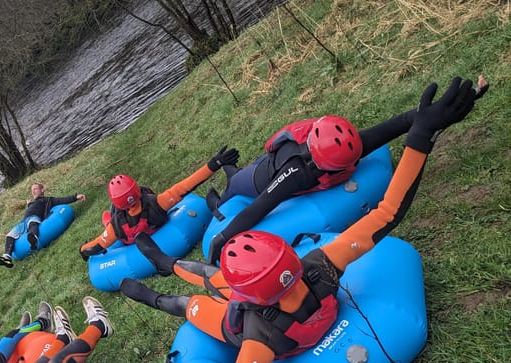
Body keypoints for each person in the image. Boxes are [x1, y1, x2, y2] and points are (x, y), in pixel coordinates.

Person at [118, 76, 486, 363]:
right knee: (199, 288)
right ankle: (163, 271)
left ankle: (164, 280)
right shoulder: (319, 267)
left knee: (198, 295)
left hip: (233, 312)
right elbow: (388, 212)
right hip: (240, 309)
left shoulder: (264, 328)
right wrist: (422, 135)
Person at [205, 75, 490, 262]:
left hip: (282, 161)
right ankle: (223, 187)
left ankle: (231, 171)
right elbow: (262, 205)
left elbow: (400, 123)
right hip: (261, 176)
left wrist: (449, 109)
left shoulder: (348, 146)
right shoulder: (298, 172)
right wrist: (221, 237)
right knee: (236, 186)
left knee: (241, 178)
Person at [78, 145, 238, 259]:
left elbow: (96, 245)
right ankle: (106, 218)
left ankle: (106, 218)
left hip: (126, 235)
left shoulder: (116, 226)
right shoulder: (157, 203)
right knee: (109, 221)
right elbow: (185, 186)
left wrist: (82, 251)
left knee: (109, 223)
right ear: (136, 190)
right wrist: (214, 164)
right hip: (138, 232)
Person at [0, 183, 86, 268]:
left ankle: (34, 238)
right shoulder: (33, 203)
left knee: (32, 223)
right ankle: (7, 257)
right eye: (32, 190)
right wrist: (29, 204)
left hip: (35, 218)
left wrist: (75, 197)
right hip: (23, 222)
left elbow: (61, 200)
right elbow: (32, 207)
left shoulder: (47, 200)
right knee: (10, 235)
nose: (33, 191)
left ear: (43, 190)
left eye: (35, 189)